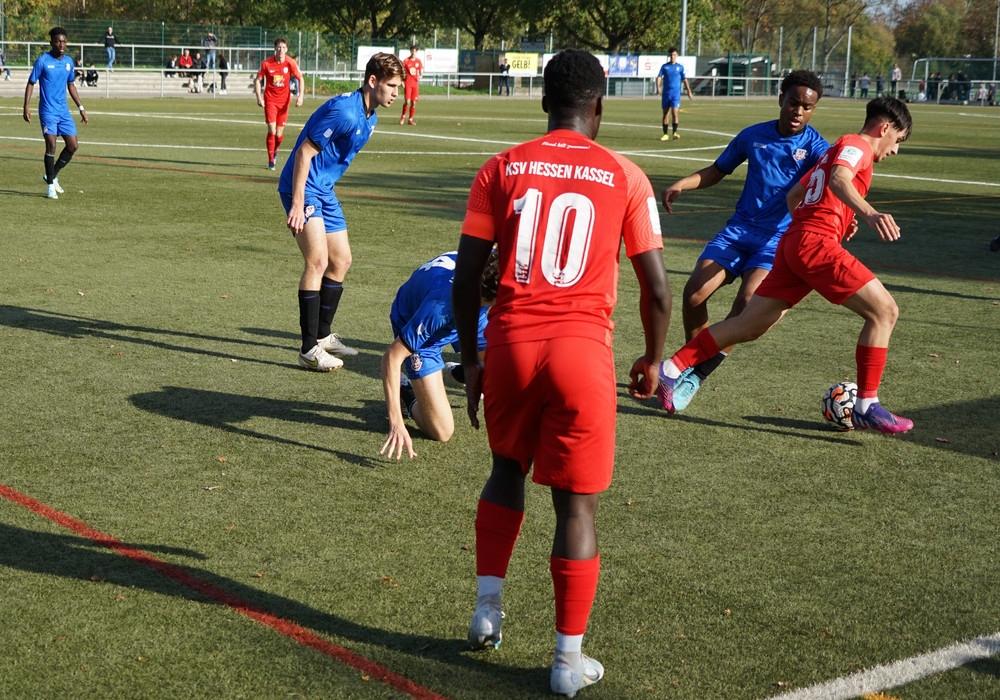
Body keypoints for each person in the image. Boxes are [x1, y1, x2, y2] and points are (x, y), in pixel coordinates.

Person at [452, 48, 671, 697]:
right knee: (576, 505)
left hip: (512, 347)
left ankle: (486, 611)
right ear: (599, 106)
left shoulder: (501, 167)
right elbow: (658, 290)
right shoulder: (627, 175)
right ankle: (565, 663)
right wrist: (653, 358)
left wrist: (471, 357)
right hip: (582, 353)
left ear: (544, 102)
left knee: (505, 469)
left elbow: (466, 278)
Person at [657, 97, 915, 435]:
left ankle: (671, 369)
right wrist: (868, 214)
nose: (895, 150)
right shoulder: (857, 146)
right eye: (898, 140)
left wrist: (826, 221)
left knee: (749, 324)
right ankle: (867, 404)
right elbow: (839, 179)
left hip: (795, 242)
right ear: (885, 128)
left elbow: (795, 195)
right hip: (816, 244)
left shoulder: (832, 149)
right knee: (885, 311)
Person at [660, 70, 829, 411]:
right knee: (694, 294)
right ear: (781, 99)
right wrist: (683, 183)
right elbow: (717, 170)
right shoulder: (753, 136)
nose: (798, 111)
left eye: (807, 107)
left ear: (814, 109)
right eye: (793, 102)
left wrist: (847, 218)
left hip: (776, 240)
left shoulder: (817, 149)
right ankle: (693, 358)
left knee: (748, 303)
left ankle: (696, 374)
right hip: (738, 231)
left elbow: (831, 187)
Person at [278, 52, 405, 372]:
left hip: (324, 189)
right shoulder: (344, 111)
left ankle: (322, 336)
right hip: (303, 187)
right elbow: (304, 153)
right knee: (317, 261)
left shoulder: (370, 117)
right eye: (392, 86)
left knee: (342, 260)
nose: (396, 93)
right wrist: (297, 203)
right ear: (373, 81)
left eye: (398, 87)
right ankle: (308, 350)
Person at [379, 249, 499, 459]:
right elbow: (391, 357)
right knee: (442, 431)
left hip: (470, 310)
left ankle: (461, 373)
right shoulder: (441, 305)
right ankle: (406, 391)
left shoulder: (488, 265)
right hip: (420, 325)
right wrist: (396, 423)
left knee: (501, 365)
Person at [23, 27, 89, 200]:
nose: (61, 44)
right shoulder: (42, 61)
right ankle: (50, 187)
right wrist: (26, 106)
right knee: (51, 144)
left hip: (63, 111)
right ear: (51, 42)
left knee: (73, 145)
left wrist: (81, 108)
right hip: (48, 111)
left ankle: (51, 175)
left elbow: (71, 85)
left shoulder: (68, 62)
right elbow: (31, 83)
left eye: (64, 41)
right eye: (58, 41)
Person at [255, 37, 304, 170]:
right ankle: (271, 160)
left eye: (283, 47)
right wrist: (259, 97)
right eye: (278, 47)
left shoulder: (290, 63)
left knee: (279, 134)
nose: (281, 50)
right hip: (270, 101)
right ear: (275, 49)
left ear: (286, 49)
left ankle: (275, 150)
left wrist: (300, 96)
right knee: (272, 130)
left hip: (284, 103)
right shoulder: (267, 63)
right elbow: (258, 80)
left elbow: (300, 78)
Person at [656, 48, 693, 141]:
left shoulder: (680, 67)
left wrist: (689, 91)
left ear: (677, 55)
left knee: (675, 112)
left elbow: (684, 79)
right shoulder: (664, 67)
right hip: (666, 94)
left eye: (674, 55)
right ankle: (665, 134)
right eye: (671, 55)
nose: (672, 56)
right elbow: (659, 76)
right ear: (669, 55)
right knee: (665, 113)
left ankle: (675, 132)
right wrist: (658, 87)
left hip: (675, 94)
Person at [400, 44, 423, 125]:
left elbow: (421, 72)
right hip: (408, 83)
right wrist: (402, 81)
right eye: (412, 51)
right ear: (410, 51)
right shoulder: (406, 61)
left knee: (413, 102)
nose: (413, 53)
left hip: (415, 84)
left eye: (415, 51)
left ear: (416, 52)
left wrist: (420, 76)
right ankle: (403, 116)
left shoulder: (418, 61)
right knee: (407, 101)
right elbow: (401, 71)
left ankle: (410, 120)